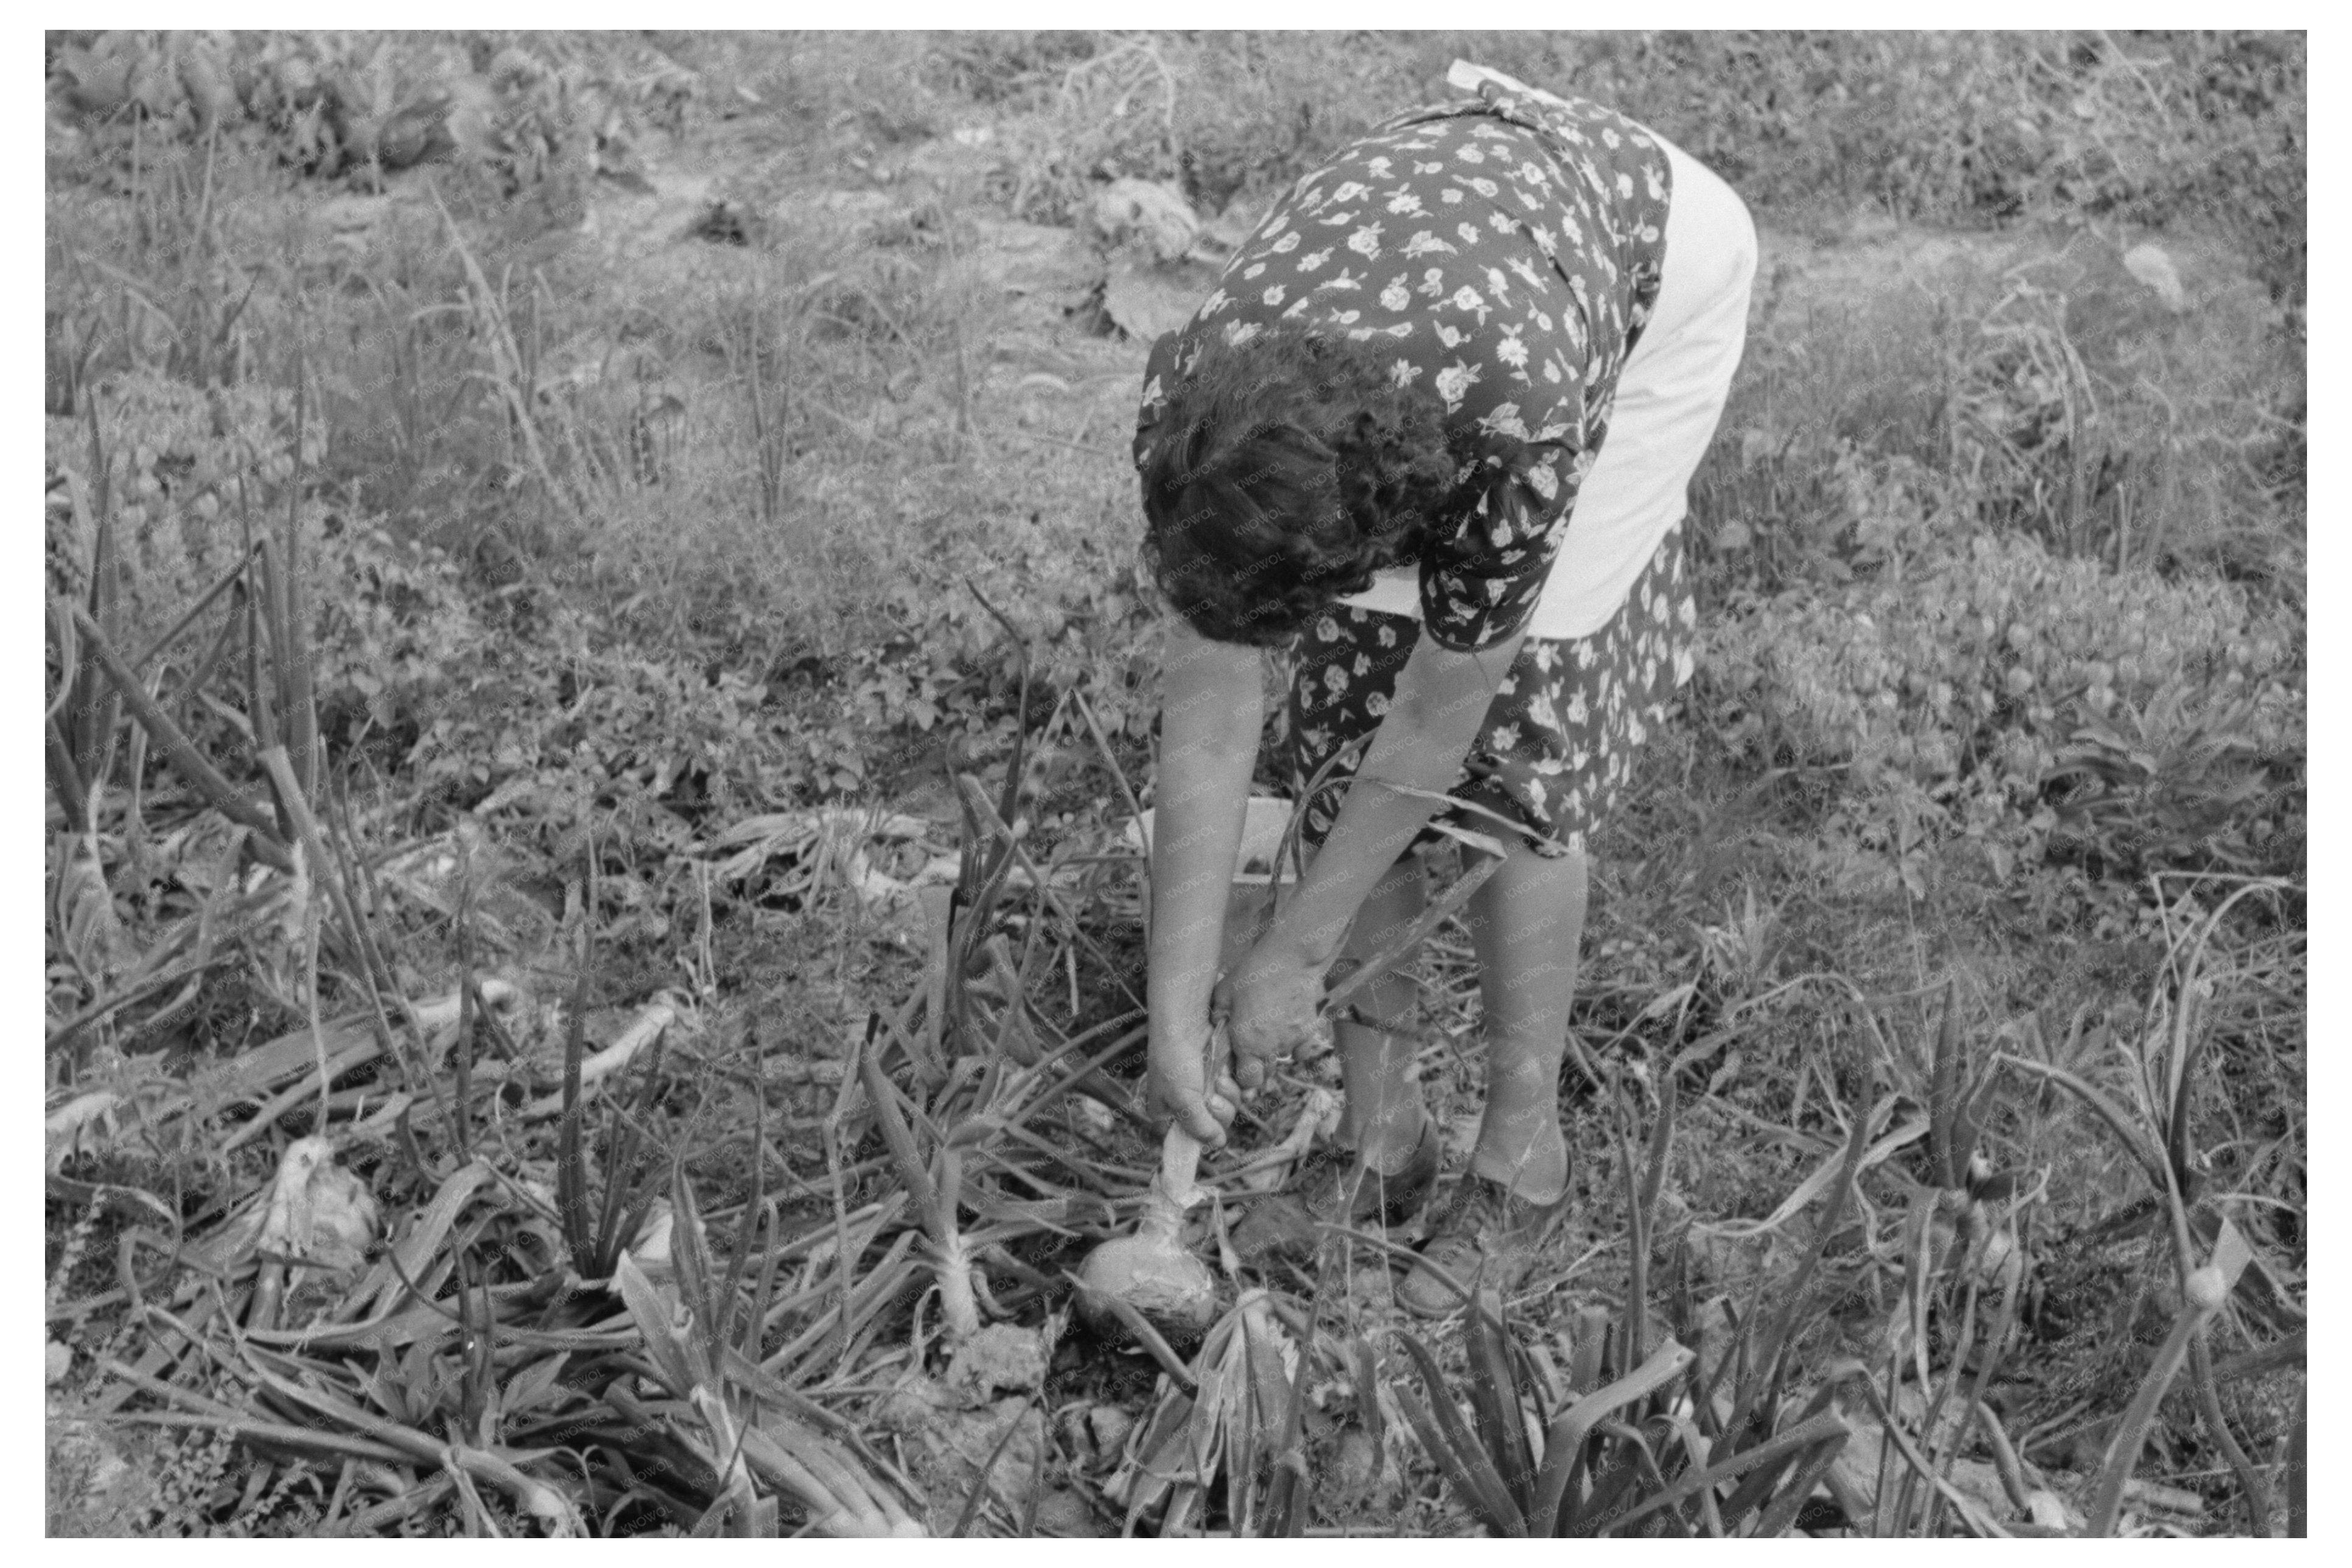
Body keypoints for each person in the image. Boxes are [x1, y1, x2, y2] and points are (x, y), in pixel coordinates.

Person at [1134, 63, 1756, 1315]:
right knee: (1335, 719)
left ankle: (1526, 1160)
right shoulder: (1192, 400)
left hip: (1641, 276)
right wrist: (1175, 1007)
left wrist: (1292, 952)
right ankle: (1383, 1142)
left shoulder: (1516, 430)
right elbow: (1210, 719)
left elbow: (1438, 712)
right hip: (1447, 265)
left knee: (1513, 743)